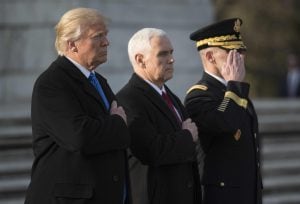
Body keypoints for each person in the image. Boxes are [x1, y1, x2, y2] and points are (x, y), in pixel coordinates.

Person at [25, 8, 131, 204]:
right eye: (98, 36)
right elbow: (79, 136)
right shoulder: (52, 82)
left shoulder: (98, 80)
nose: (106, 42)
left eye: (105, 35)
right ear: (72, 45)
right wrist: (117, 122)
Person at [117, 28, 202, 204]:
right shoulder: (128, 100)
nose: (171, 59)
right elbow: (149, 150)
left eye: (171, 53)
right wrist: (186, 137)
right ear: (140, 60)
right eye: (162, 54)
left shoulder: (171, 97)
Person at [184, 18, 263, 204]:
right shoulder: (199, 96)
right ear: (210, 57)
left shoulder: (237, 91)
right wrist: (234, 85)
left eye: (241, 51)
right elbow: (225, 123)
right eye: (232, 52)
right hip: (221, 197)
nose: (240, 57)